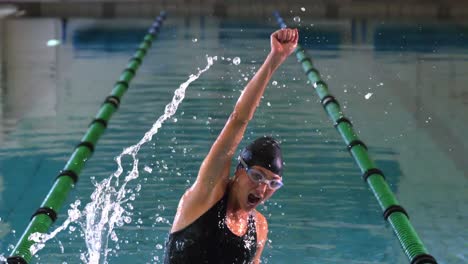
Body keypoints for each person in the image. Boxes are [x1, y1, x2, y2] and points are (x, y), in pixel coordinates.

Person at [164, 28, 299, 264]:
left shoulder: (258, 228)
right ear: (238, 171)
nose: (262, 188)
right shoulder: (207, 195)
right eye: (257, 175)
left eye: (272, 183)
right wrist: (274, 59)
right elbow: (238, 119)